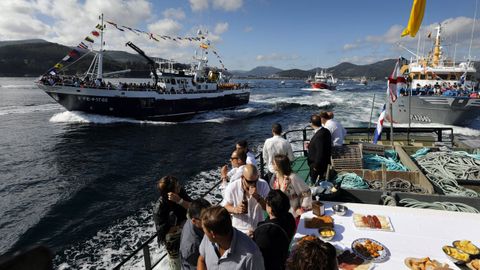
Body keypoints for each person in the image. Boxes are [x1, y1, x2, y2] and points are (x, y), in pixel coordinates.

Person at [197, 206, 265, 270]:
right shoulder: (207, 238)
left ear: (213, 234)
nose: (204, 233)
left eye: (204, 230)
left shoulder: (251, 255)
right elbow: (201, 260)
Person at [153, 176, 192, 270]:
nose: (180, 187)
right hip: (173, 241)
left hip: (186, 232)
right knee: (176, 264)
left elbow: (193, 207)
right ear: (170, 192)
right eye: (177, 186)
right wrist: (181, 226)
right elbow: (162, 231)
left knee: (190, 258)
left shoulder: (181, 193)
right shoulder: (159, 208)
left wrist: (180, 201)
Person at [253, 190, 296, 270]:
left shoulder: (265, 232)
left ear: (270, 209)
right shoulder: (290, 218)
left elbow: (257, 254)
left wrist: (253, 238)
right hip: (282, 262)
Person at [224, 164, 270, 234]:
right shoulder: (232, 188)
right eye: (250, 182)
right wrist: (235, 209)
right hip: (239, 230)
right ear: (242, 177)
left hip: (258, 228)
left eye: (256, 181)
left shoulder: (263, 185)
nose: (253, 184)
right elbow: (225, 207)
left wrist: (258, 197)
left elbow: (268, 208)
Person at [271, 154, 312, 220]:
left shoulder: (293, 178)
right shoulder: (274, 177)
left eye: (273, 163)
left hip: (293, 215)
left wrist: (302, 208)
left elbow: (307, 193)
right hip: (280, 215)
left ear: (280, 165)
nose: (272, 164)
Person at [179, 198, 211, 270]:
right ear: (194, 221)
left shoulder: (194, 218)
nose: (211, 219)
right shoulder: (192, 247)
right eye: (206, 218)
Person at [307, 114, 332, 183]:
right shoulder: (326, 131)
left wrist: (315, 166)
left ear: (312, 124)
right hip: (325, 162)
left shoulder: (318, 136)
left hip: (317, 166)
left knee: (314, 182)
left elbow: (320, 152)